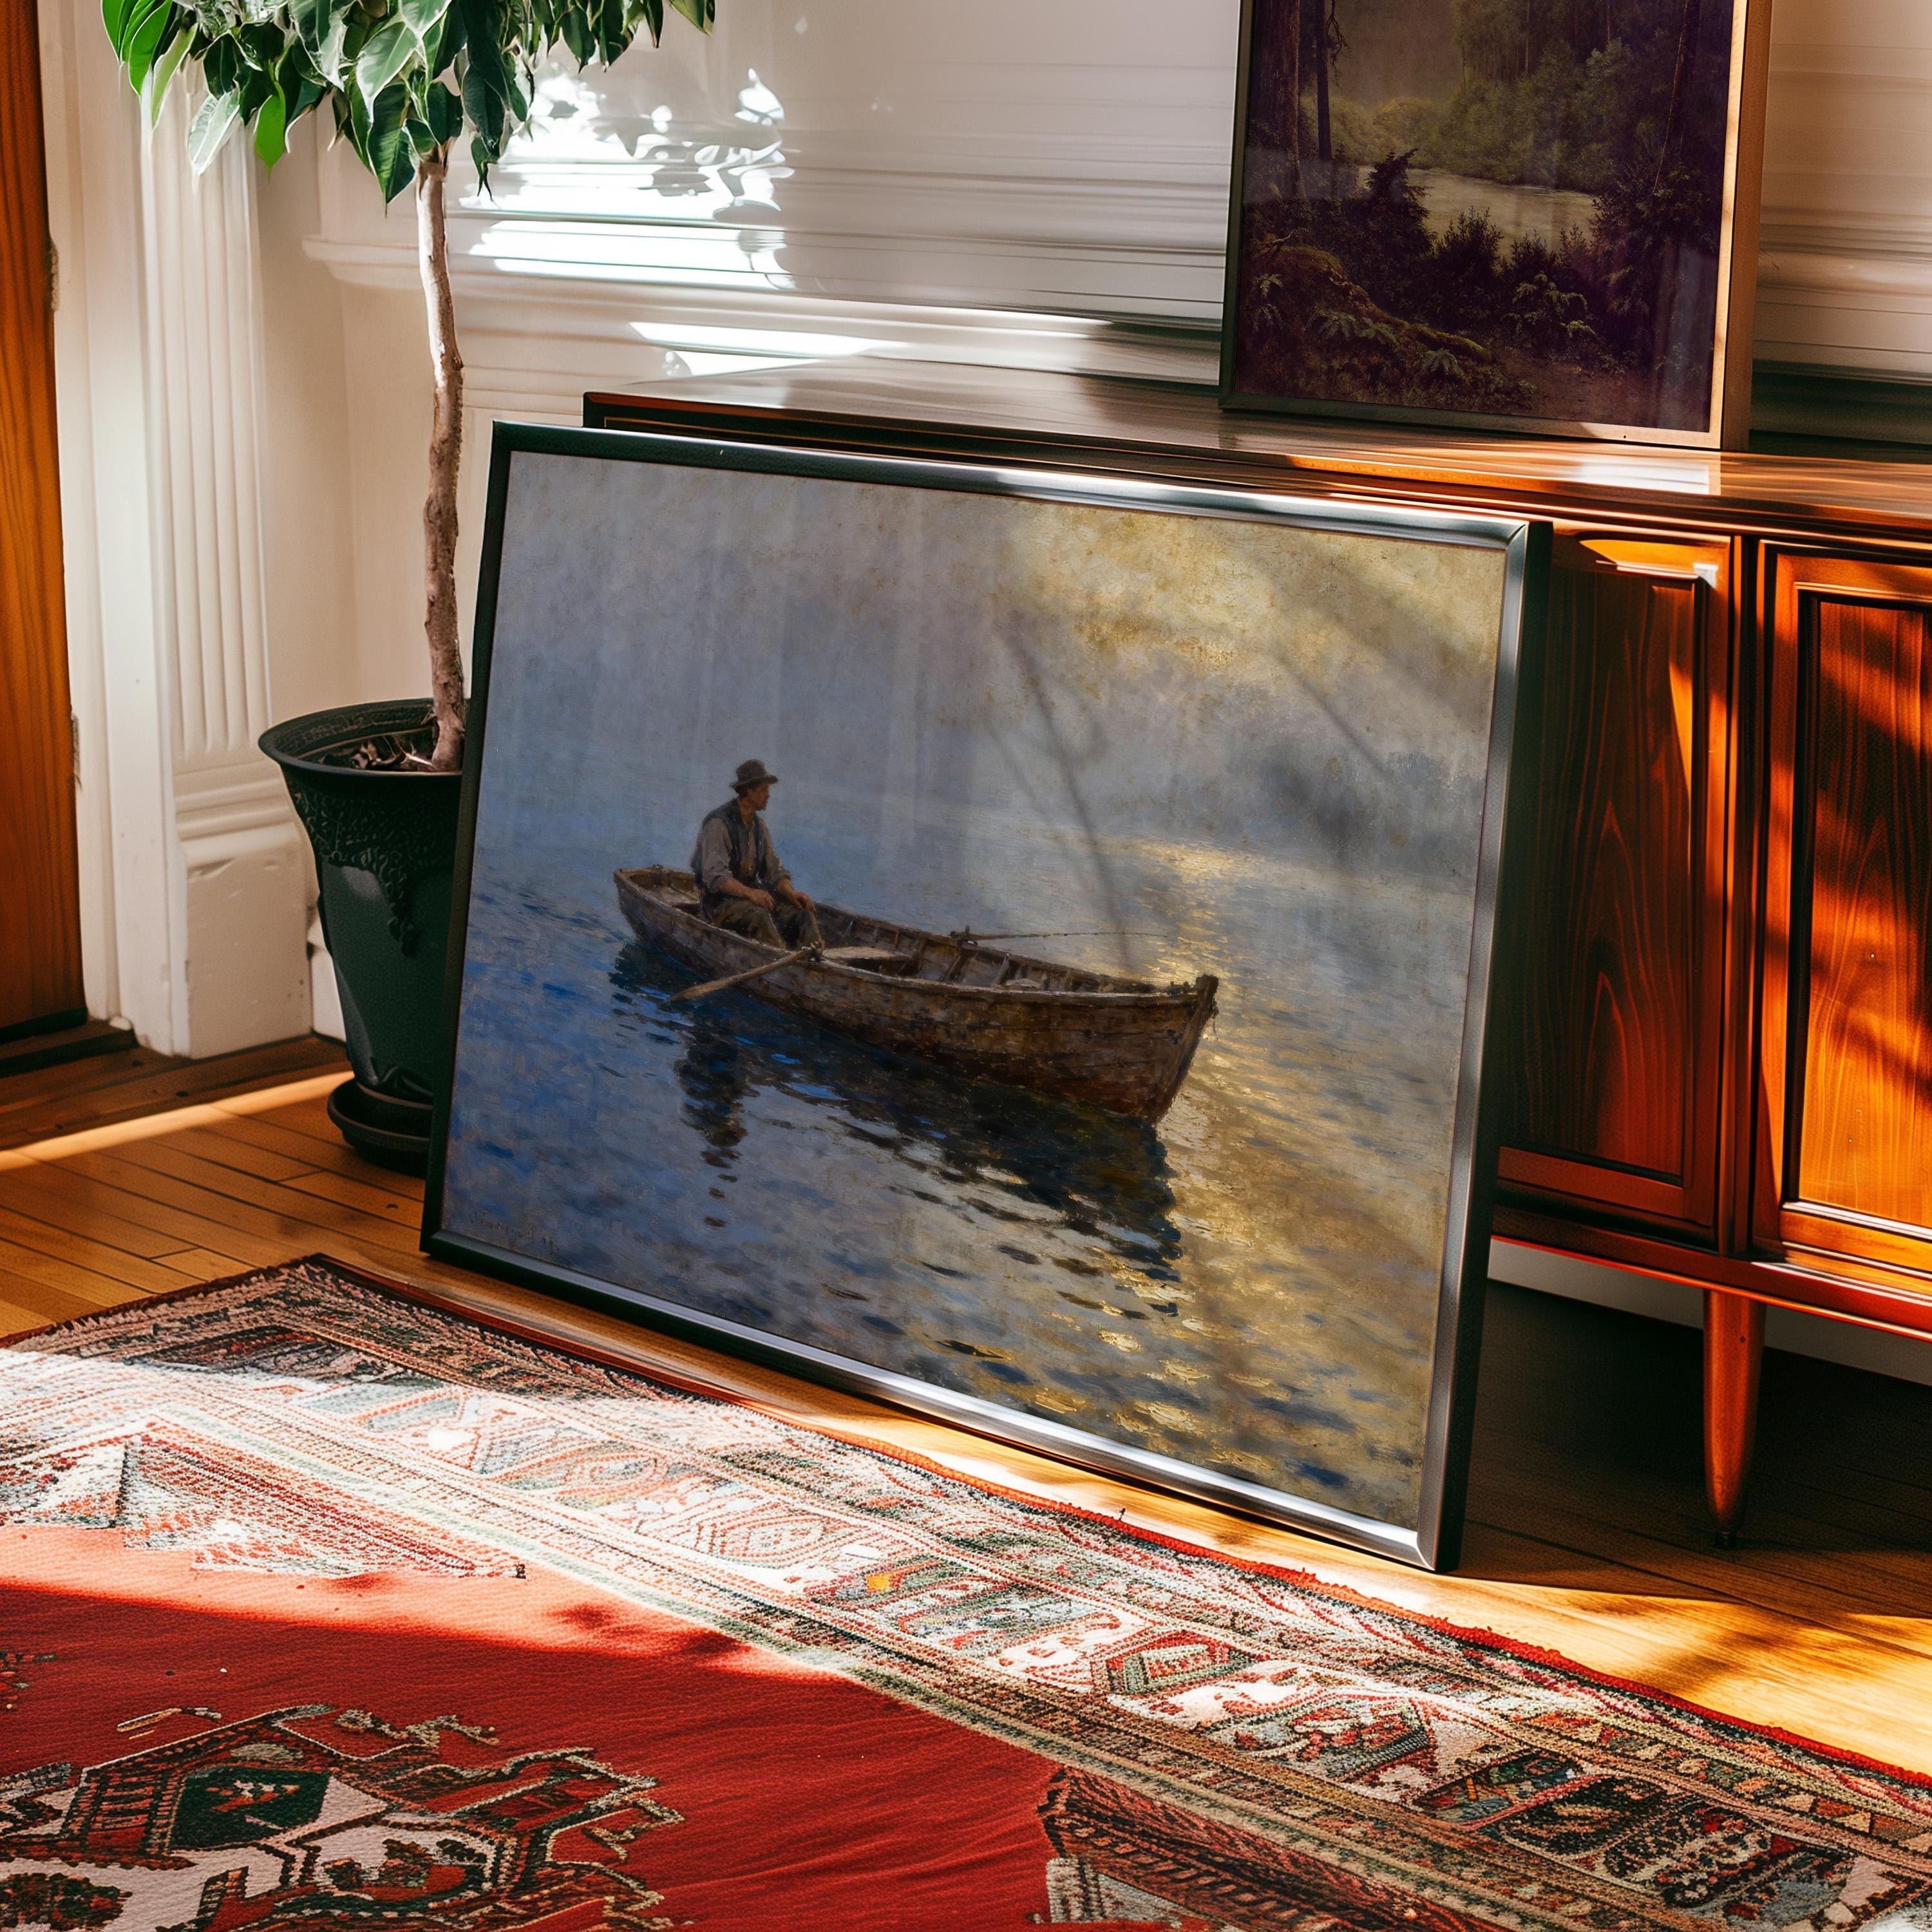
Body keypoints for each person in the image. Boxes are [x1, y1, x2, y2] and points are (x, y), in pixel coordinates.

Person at [690, 759, 824, 951]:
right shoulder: (718, 824)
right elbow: (715, 878)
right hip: (718, 905)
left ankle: (816, 960)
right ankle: (782, 963)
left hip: (750, 900)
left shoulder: (760, 828)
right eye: (763, 790)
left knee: (802, 913)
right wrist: (751, 893)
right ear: (749, 791)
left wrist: (791, 893)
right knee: (760, 916)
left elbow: (774, 872)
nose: (768, 795)